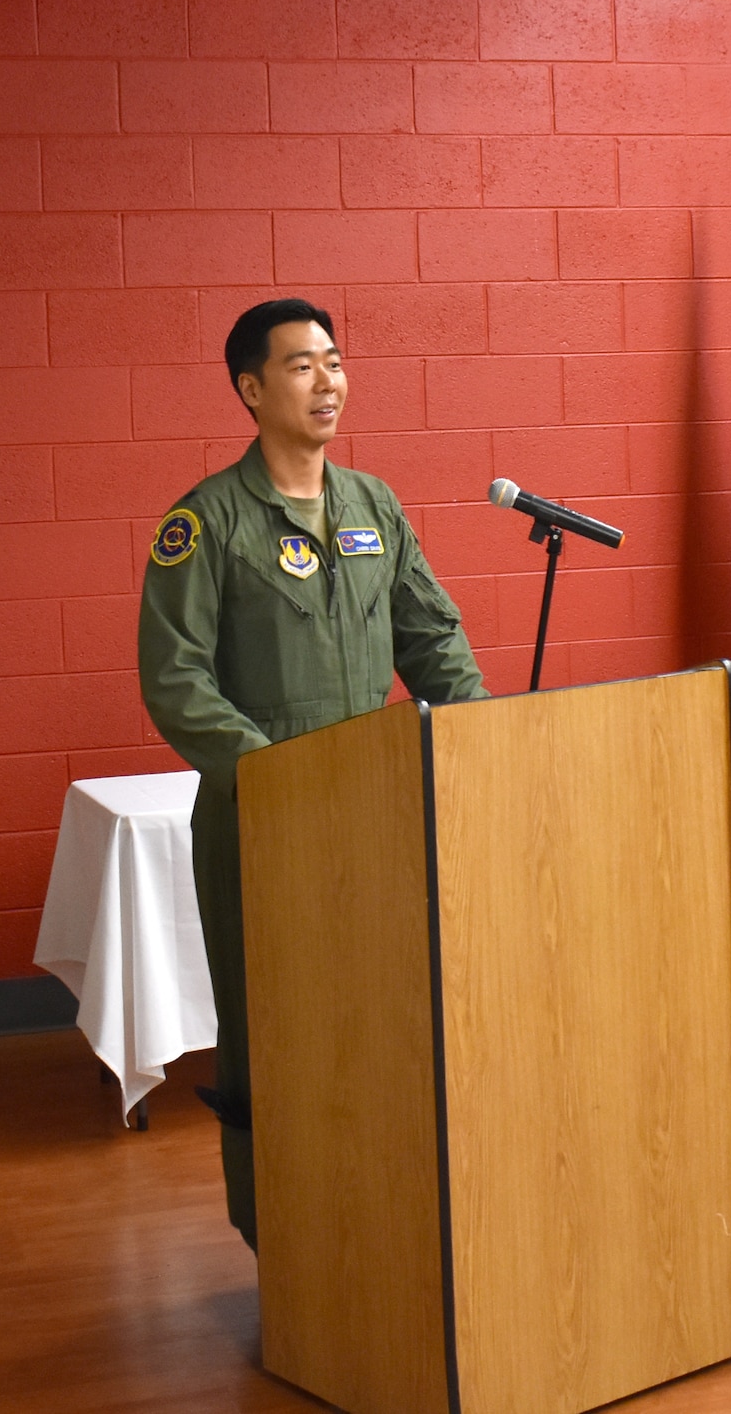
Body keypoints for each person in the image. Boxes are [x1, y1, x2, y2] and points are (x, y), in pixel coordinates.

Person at [138, 299, 486, 1250]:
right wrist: (282, 778)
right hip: (265, 820)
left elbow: (432, 638)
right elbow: (175, 678)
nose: (328, 381)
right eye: (301, 366)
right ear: (251, 390)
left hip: (377, 810)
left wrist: (483, 741)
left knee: (381, 1018)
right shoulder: (205, 523)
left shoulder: (374, 505)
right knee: (274, 1035)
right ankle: (281, 1237)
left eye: (334, 361)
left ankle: (377, 1220)